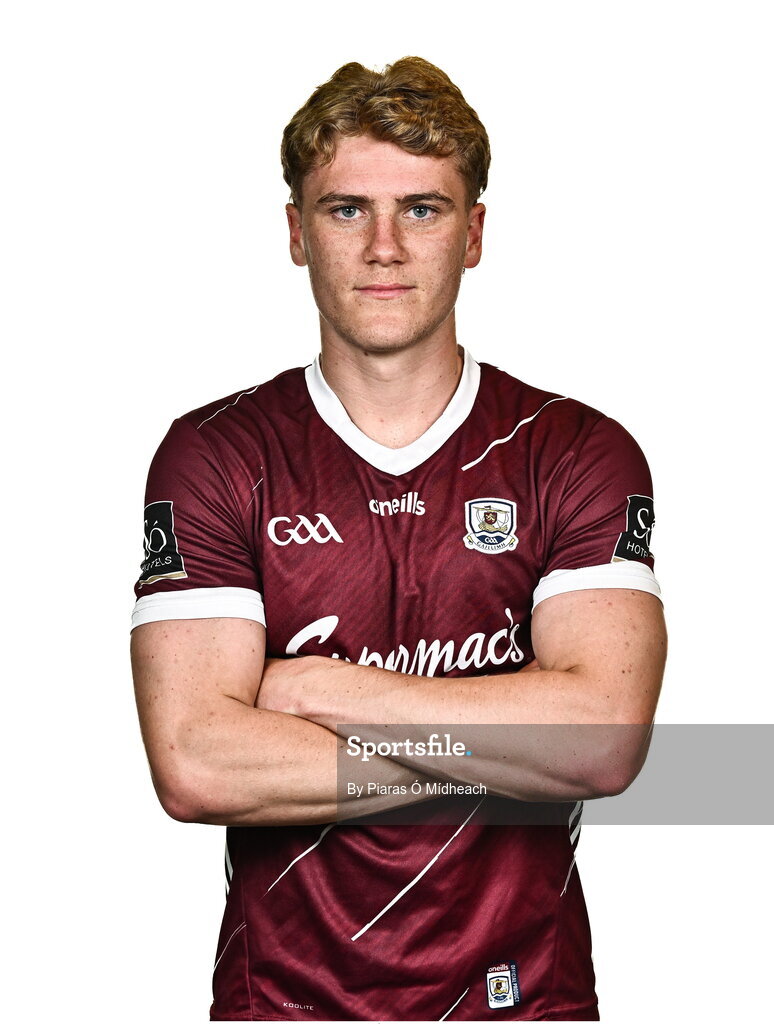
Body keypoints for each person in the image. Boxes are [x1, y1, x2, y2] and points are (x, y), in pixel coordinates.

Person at [130, 56, 666, 1022]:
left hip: (525, 999)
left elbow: (604, 742)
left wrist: (330, 693)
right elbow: (196, 763)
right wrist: (494, 748)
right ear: (296, 231)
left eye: (422, 209)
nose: (384, 245)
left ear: (474, 234)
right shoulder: (215, 455)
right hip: (281, 1006)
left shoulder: (575, 451)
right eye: (346, 210)